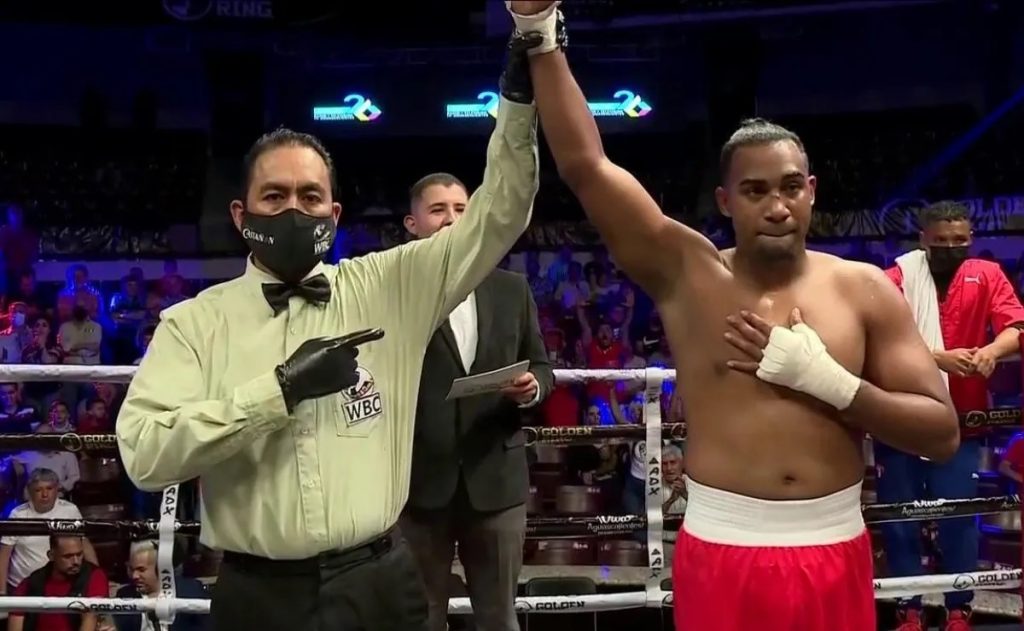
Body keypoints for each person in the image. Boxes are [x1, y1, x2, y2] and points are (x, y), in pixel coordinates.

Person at [505, 3, 960, 629]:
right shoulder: (687, 276)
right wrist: (538, 33)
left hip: (833, 548)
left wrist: (829, 382)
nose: (777, 205)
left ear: (812, 190)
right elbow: (588, 168)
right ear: (725, 200)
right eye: (756, 190)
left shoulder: (864, 291)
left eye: (791, 186)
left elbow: (941, 432)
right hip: (724, 549)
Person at [115, 40, 540, 631]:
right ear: (241, 215)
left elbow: (501, 213)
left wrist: (518, 100)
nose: (294, 209)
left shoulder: (391, 284)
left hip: (381, 578)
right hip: (256, 591)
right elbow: (144, 454)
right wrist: (277, 392)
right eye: (275, 195)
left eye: (310, 197)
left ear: (333, 215)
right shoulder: (194, 324)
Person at [398, 172, 553, 631]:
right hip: (419, 485)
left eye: (461, 209)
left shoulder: (511, 289)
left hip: (496, 482)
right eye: (438, 209)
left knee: (499, 619)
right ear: (413, 222)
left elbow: (543, 367)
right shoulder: (394, 291)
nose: (452, 219)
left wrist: (532, 387)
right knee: (419, 618)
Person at [879, 200, 1024, 631]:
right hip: (901, 412)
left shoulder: (988, 274)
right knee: (899, 515)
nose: (950, 248)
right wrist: (936, 358)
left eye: (959, 241)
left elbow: (1017, 325)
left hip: (964, 415)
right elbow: (874, 340)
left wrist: (991, 353)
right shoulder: (896, 277)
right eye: (940, 242)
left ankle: (959, 608)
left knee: (960, 515)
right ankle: (907, 608)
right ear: (923, 239)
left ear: (971, 239)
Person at [7, 534, 108, 631]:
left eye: (79, 554)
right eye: (68, 556)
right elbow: (15, 624)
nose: (76, 561)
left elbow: (90, 618)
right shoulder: (33, 582)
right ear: (51, 555)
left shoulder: (93, 575)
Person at [114, 540, 207, 631]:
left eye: (141, 570)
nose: (134, 576)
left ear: (160, 568)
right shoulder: (125, 596)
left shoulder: (191, 590)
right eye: (132, 569)